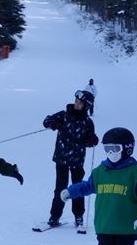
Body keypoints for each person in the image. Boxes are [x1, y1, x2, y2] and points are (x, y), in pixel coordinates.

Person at [42, 89, 98, 227]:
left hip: (77, 162)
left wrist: (92, 140)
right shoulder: (64, 115)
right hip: (61, 159)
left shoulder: (87, 123)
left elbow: (88, 140)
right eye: (76, 102)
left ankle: (78, 216)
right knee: (60, 188)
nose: (77, 104)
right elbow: (46, 120)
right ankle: (54, 216)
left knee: (77, 189)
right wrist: (52, 124)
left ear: (87, 106)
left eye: (80, 103)